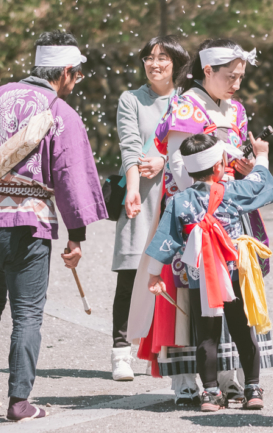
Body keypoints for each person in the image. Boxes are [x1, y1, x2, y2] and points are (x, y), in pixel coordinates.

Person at [0, 31, 107, 422]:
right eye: (77, 75)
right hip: (28, 227)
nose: (76, 82)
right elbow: (70, 176)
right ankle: (19, 402)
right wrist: (76, 236)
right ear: (65, 72)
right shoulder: (59, 112)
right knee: (28, 313)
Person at [131, 38, 273, 405]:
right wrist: (207, 201)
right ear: (207, 70)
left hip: (225, 211)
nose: (236, 84)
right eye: (230, 76)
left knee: (229, 302)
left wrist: (240, 169)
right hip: (195, 215)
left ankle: (227, 377)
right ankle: (187, 380)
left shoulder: (236, 110)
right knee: (190, 301)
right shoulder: (186, 108)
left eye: (241, 76)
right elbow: (180, 166)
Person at [145, 133, 273, 412]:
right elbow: (260, 182)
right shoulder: (231, 192)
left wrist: (154, 274)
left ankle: (210, 393)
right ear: (219, 167)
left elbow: (165, 239)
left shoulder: (179, 201)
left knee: (207, 335)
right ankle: (253, 389)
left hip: (202, 276)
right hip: (234, 272)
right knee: (243, 329)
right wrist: (262, 154)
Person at [109, 36, 189, 381]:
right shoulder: (131, 100)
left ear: (177, 63)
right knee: (132, 274)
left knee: (175, 275)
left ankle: (164, 350)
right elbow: (129, 145)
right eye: (149, 58)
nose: (155, 64)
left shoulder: (188, 101)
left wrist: (164, 161)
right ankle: (121, 352)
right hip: (141, 195)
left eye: (163, 58)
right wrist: (131, 188)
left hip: (177, 197)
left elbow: (196, 146)